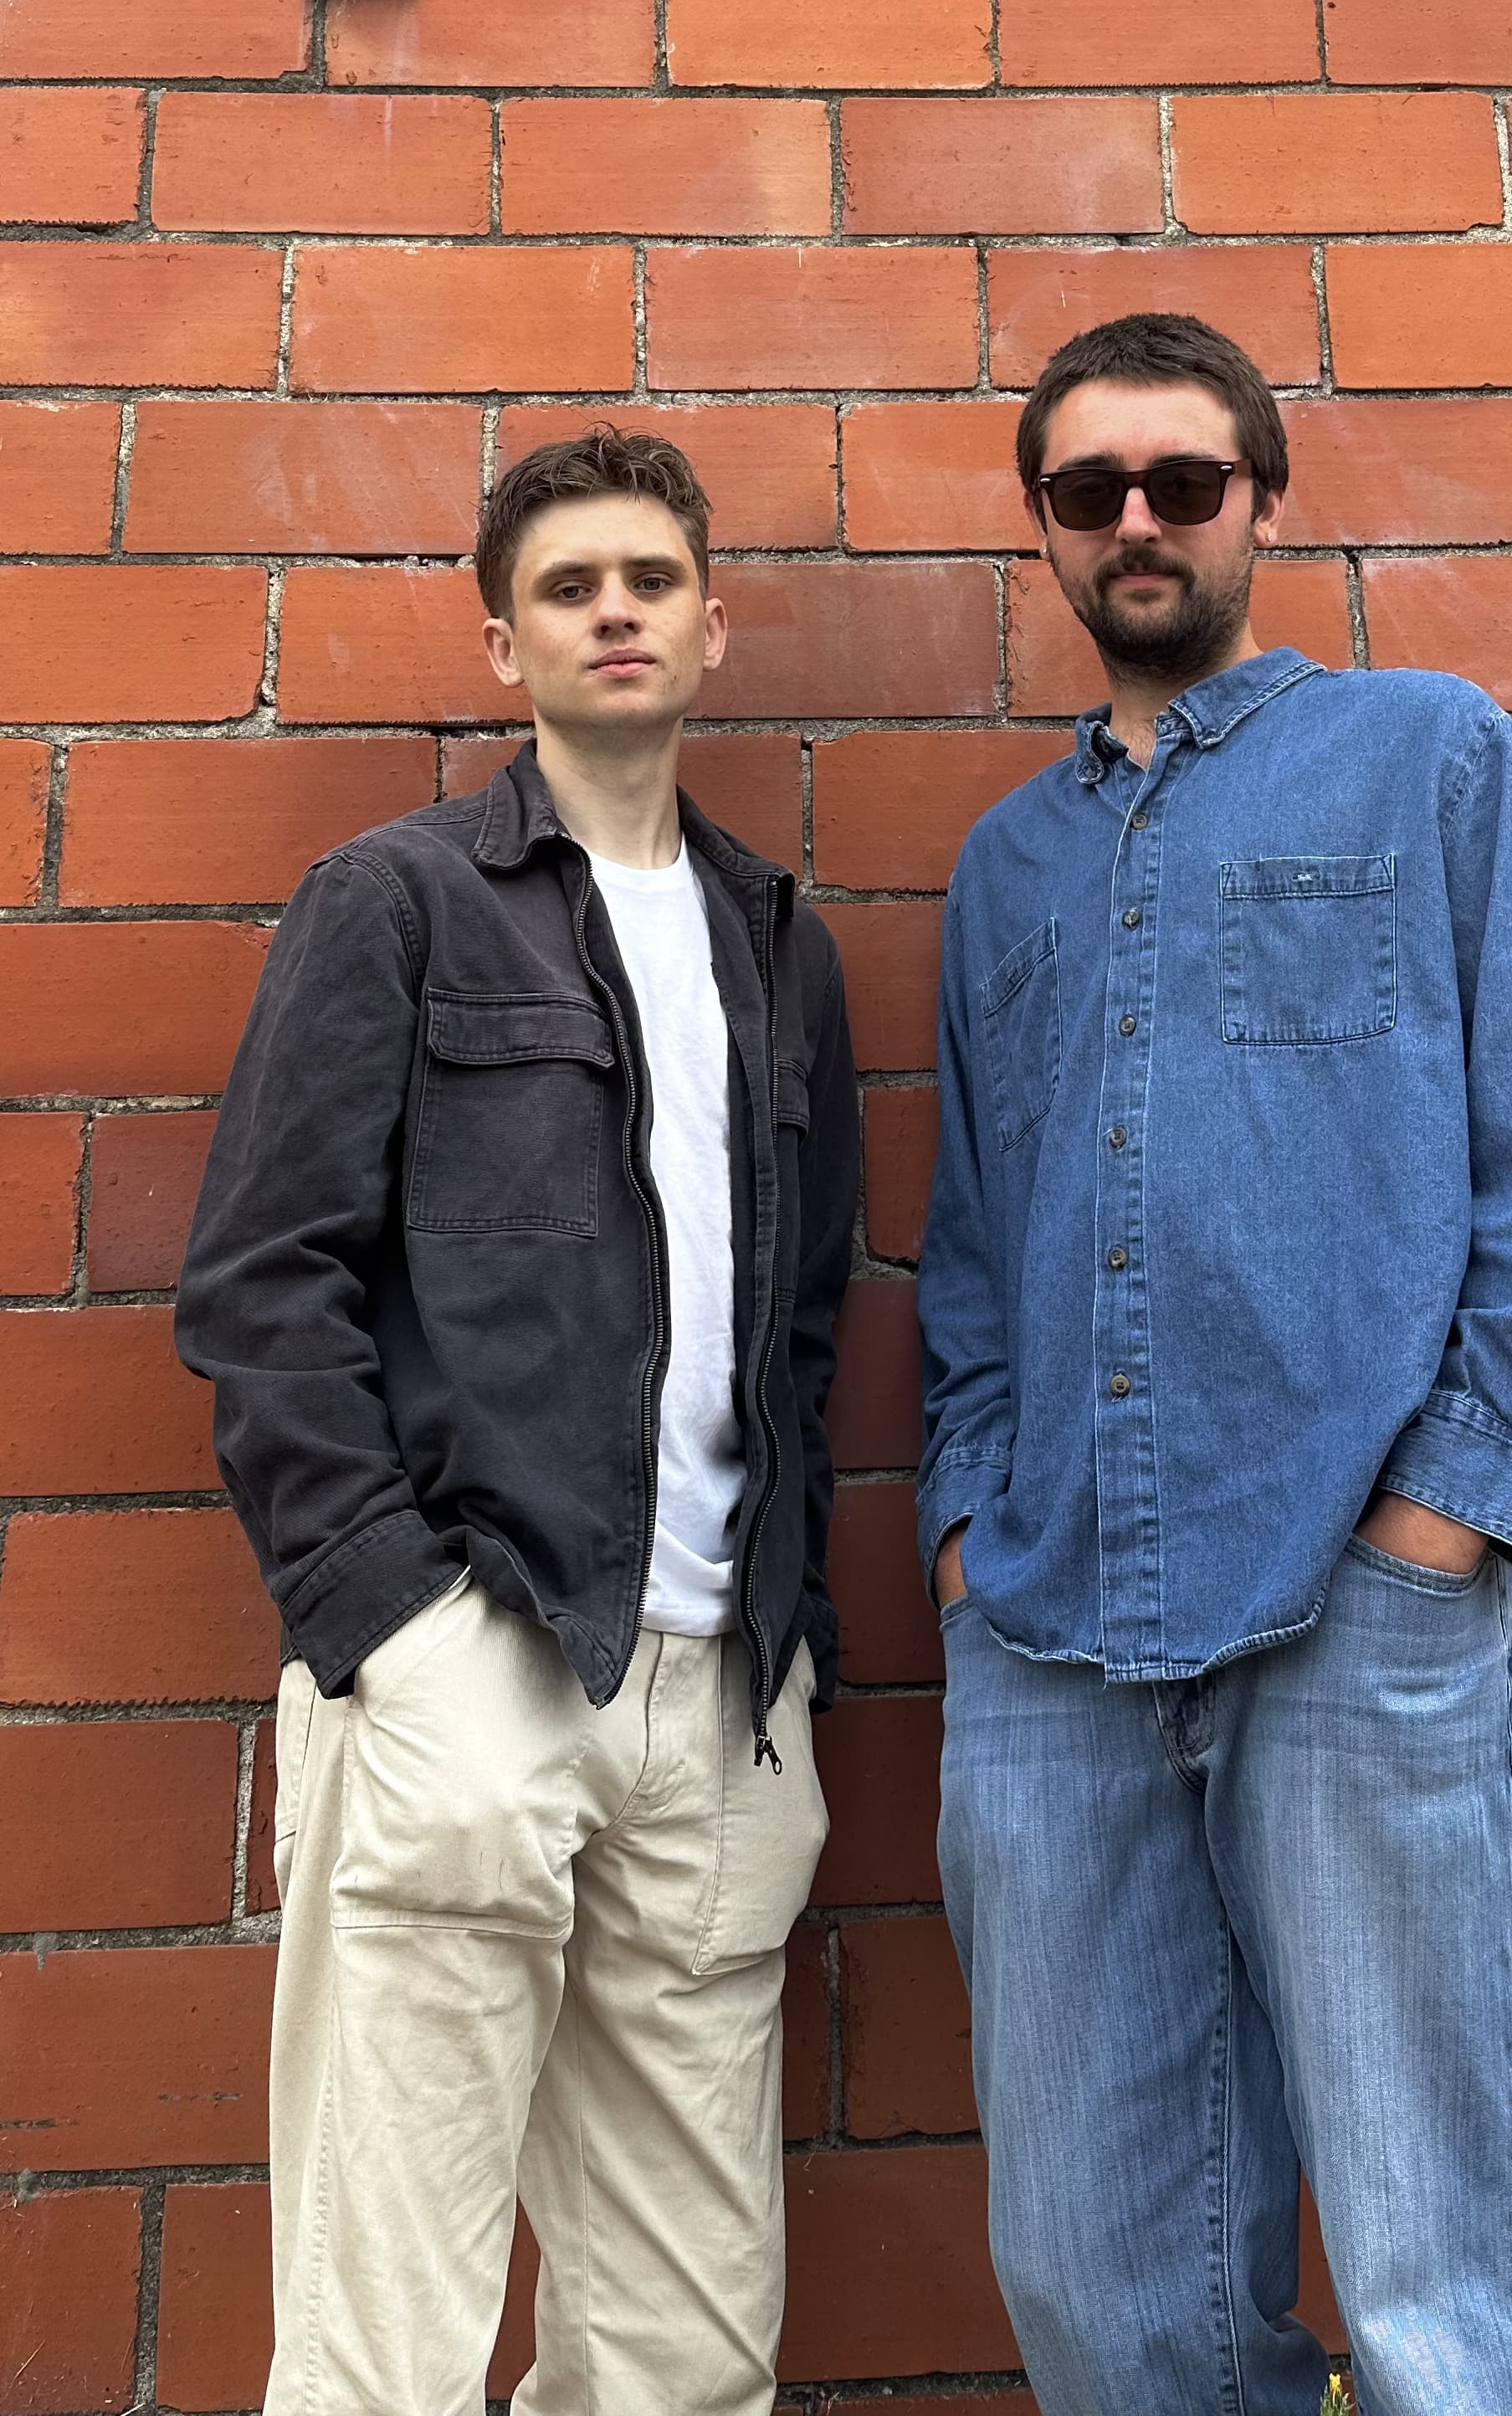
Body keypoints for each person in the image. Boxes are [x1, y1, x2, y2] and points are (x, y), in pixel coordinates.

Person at [917, 313, 1512, 2416]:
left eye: (1183, 482)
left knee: (1446, 2286)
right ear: (1045, 531)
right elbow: (971, 1246)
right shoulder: (1003, 870)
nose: (1137, 521)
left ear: (1264, 498)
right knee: (1100, 2290)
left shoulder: (1430, 757)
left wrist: (1453, 1523)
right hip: (1052, 1636)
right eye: (1088, 491)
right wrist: (970, 1530)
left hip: (1373, 1611)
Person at [177, 428, 859, 2416]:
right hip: (476, 1653)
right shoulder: (395, 901)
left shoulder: (779, 946)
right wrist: (390, 1623)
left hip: (714, 1692)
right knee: (389, 2337)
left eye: (651, 578)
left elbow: (803, 1320)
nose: (616, 610)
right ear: (504, 643)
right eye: (569, 588)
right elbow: (259, 1286)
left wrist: (784, 1644)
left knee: (685, 2346)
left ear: (715, 624)